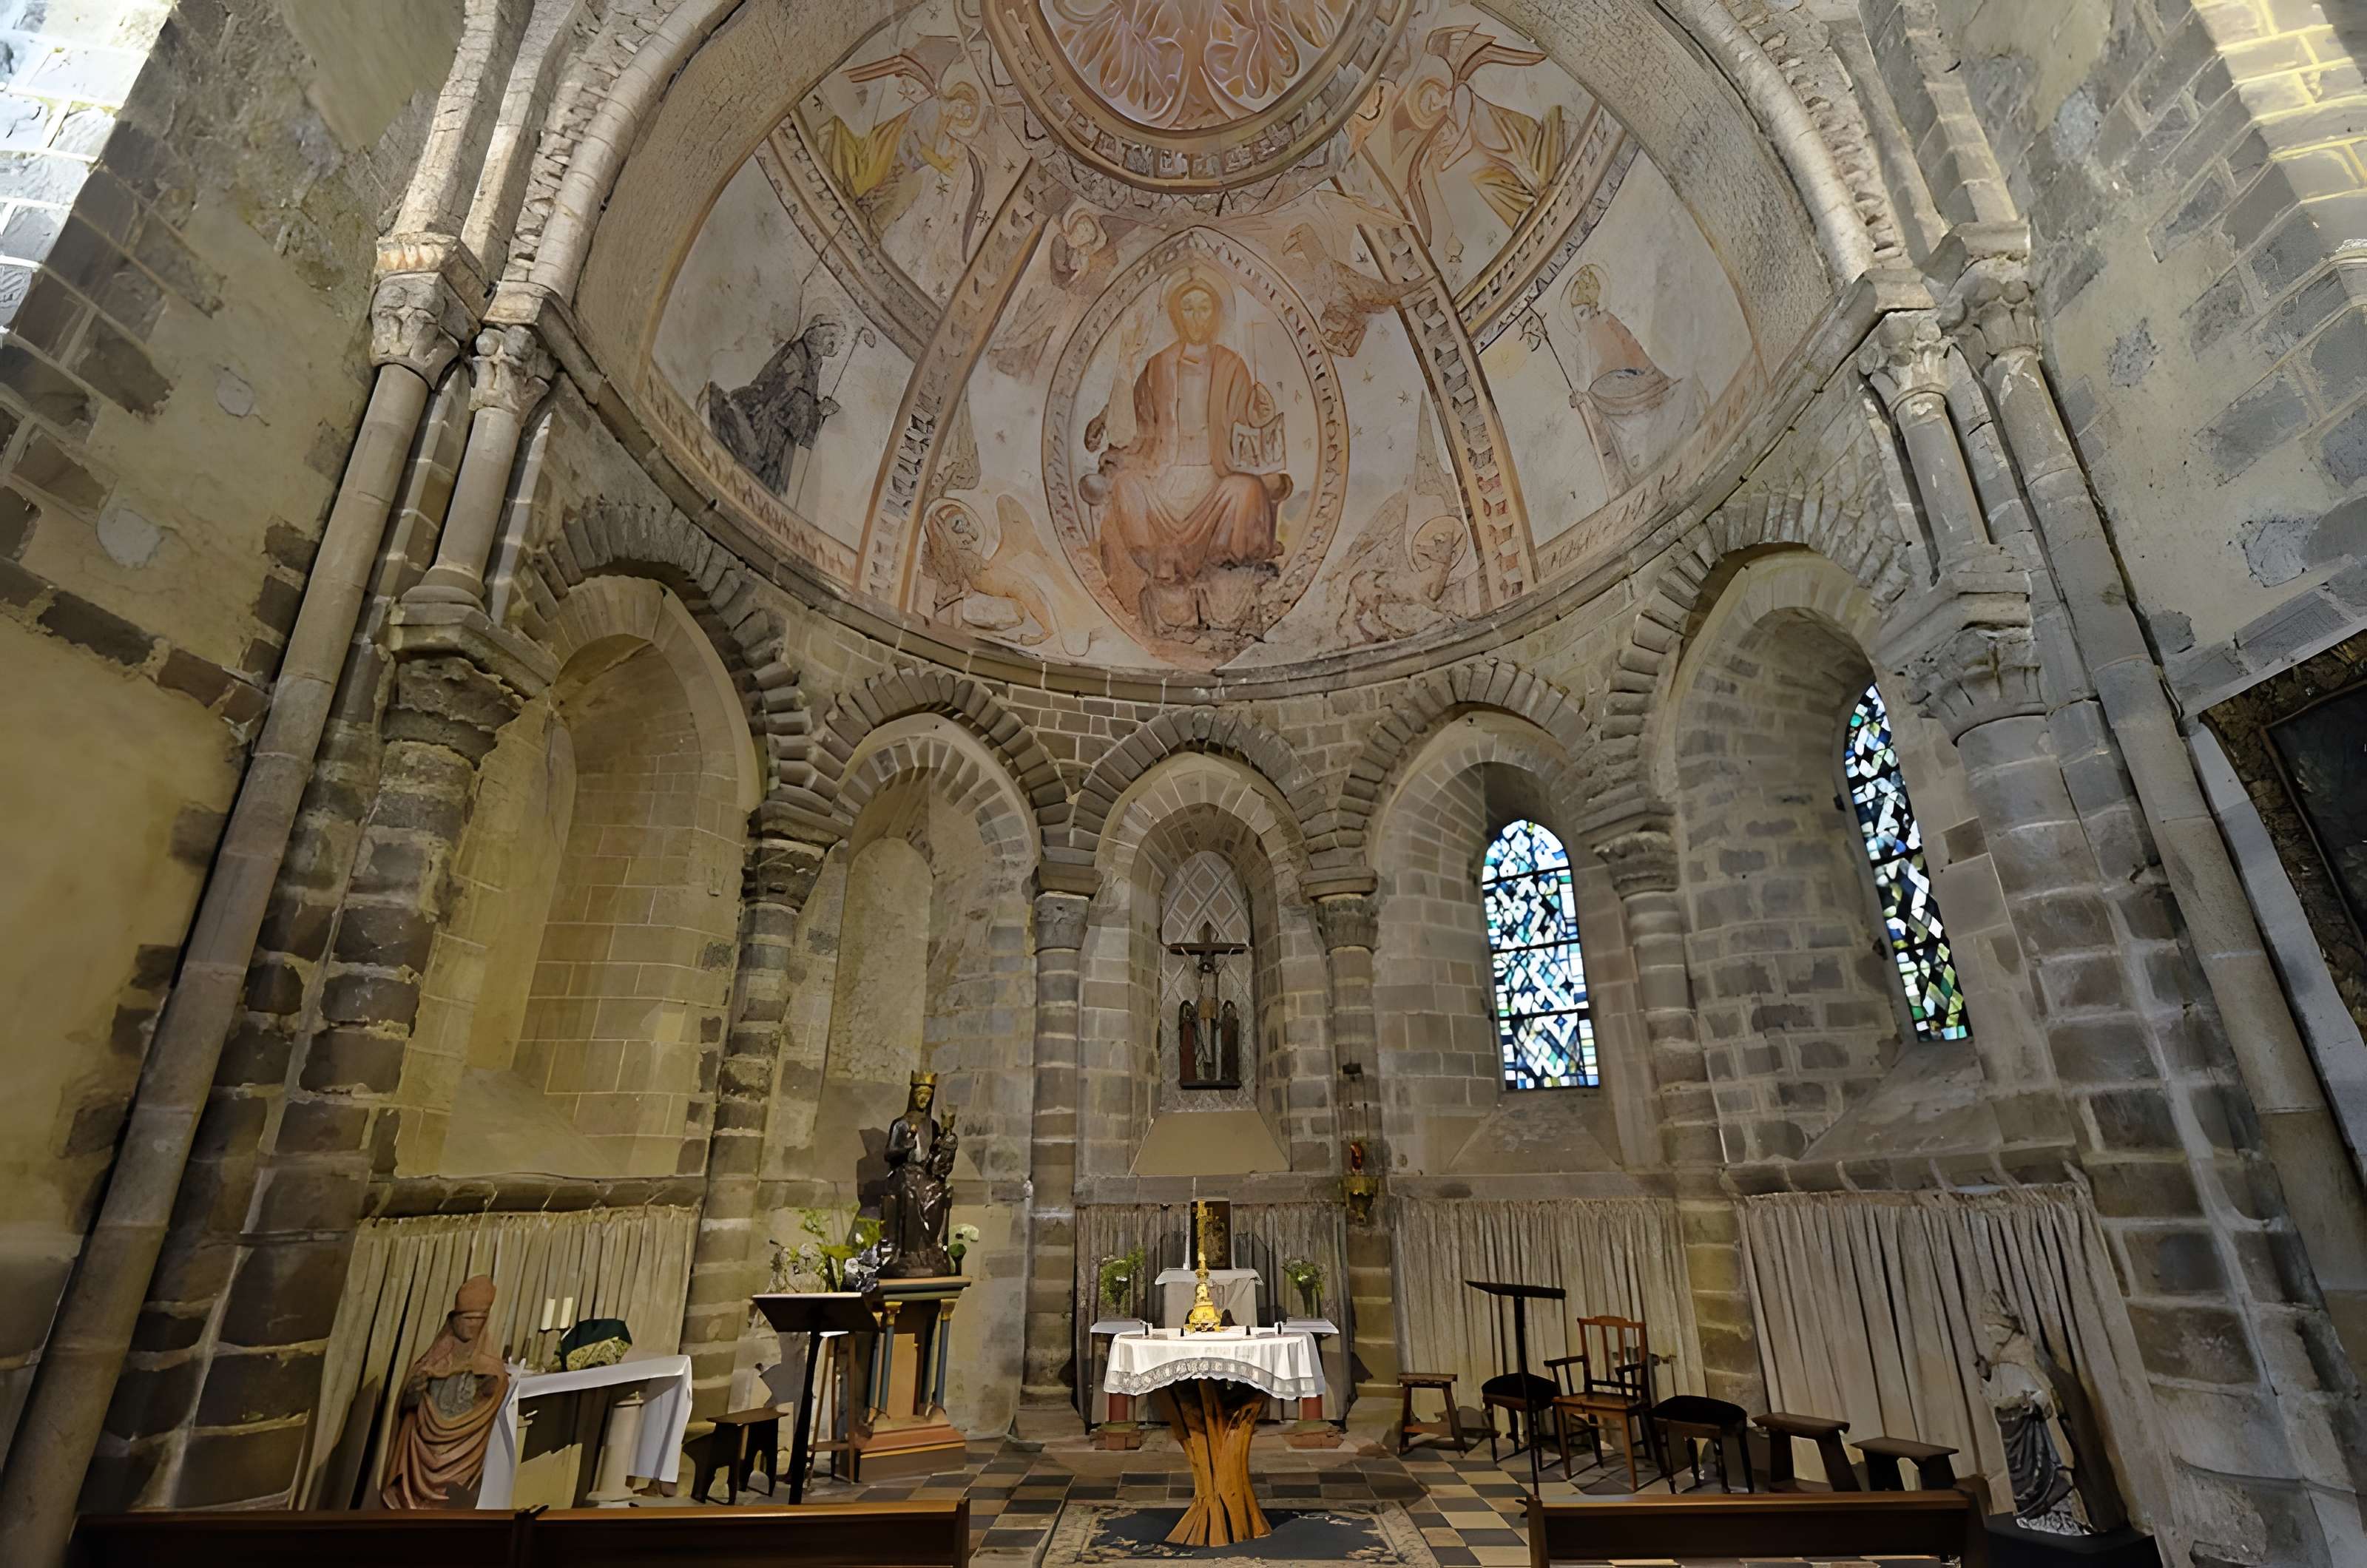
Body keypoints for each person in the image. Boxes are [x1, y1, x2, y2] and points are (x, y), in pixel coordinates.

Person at [1085, 271, 1291, 631]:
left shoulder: (1232, 365)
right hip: (1164, 476)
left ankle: (1221, 578)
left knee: (1247, 490)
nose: (1197, 318)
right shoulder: (1158, 365)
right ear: (1177, 316)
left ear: (1215, 316)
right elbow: (1134, 431)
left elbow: (1247, 430)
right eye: (1189, 309)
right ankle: (1158, 573)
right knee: (1127, 486)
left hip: (1214, 478)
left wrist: (1262, 415)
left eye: (1204, 309)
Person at [381, 1275, 509, 1510]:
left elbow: (492, 1397)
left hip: (464, 1453)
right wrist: (417, 1389)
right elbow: (408, 1404)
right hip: (422, 1449)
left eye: (477, 1319)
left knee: (452, 1500)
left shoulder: (489, 1366)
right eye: (466, 1318)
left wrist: (486, 1385)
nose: (471, 1325)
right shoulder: (435, 1356)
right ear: (454, 1318)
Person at [878, 1072, 958, 1278]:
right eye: (920, 1094)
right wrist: (905, 1144)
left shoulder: (932, 1126)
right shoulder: (901, 1124)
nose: (924, 1099)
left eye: (927, 1096)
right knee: (911, 1192)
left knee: (938, 1192)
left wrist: (945, 1142)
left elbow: (933, 1159)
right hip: (903, 1173)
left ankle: (929, 1252)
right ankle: (909, 1254)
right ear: (913, 1095)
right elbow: (890, 1154)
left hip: (924, 1174)